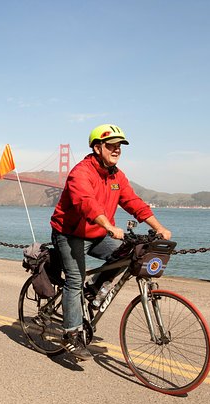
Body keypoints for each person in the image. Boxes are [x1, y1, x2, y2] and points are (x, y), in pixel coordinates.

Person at [50, 124, 171, 361]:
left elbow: (133, 202)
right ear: (97, 147)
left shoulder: (117, 175)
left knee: (130, 255)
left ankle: (94, 290)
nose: (117, 150)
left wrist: (159, 228)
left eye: (119, 147)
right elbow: (86, 202)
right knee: (75, 280)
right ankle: (70, 335)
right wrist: (108, 226)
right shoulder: (80, 172)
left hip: (97, 234)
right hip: (70, 234)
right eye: (111, 146)